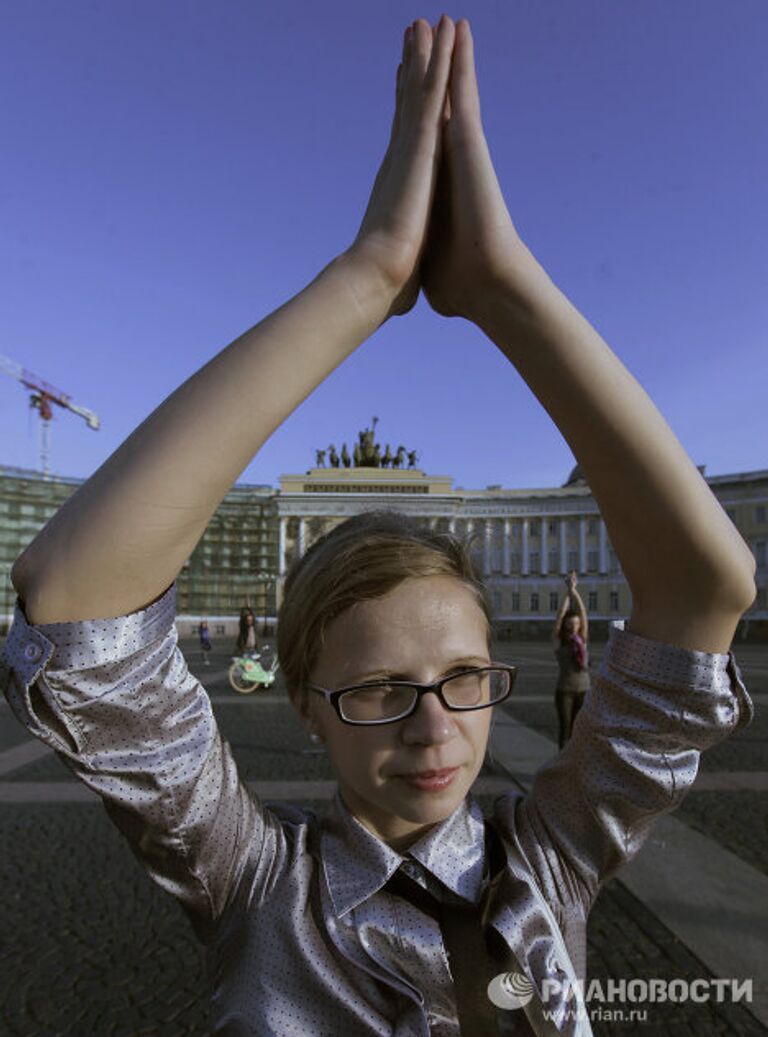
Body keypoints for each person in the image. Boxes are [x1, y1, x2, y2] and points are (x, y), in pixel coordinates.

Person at [0, 16, 755, 1036]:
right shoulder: (258, 886)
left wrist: (504, 281)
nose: (434, 724)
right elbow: (74, 600)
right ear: (305, 703)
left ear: (500, 671)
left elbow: (710, 589)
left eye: (463, 676)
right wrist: (367, 278)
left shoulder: (549, 864)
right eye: (374, 690)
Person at [551, 572, 590, 748]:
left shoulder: (581, 640)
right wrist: (567, 593)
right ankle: (562, 767)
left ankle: (576, 767)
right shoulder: (560, 641)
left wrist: (575, 591)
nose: (574, 626)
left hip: (584, 690)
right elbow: (559, 617)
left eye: (577, 624)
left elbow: (583, 613)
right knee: (565, 729)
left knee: (580, 730)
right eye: (571, 623)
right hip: (565, 691)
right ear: (566, 625)